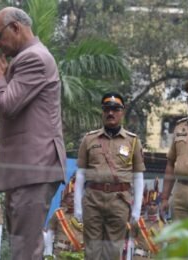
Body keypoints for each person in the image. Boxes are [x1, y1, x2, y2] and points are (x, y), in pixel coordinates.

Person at [0, 7, 66, 259]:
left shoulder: (34, 58)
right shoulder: (27, 58)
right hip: (27, 169)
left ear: (16, 28)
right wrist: (4, 75)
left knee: (26, 250)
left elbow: (7, 104)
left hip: (34, 168)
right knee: (21, 246)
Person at [74, 92, 146, 260]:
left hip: (119, 201)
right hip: (93, 200)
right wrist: (78, 206)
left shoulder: (132, 141)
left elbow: (138, 176)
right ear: (102, 112)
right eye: (107, 109)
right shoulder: (89, 139)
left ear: (122, 112)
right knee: (91, 251)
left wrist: (136, 210)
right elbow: (81, 174)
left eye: (115, 109)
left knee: (113, 251)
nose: (111, 113)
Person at [160, 78, 188, 220]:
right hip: (179, 191)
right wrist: (164, 198)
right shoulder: (180, 127)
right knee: (179, 239)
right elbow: (170, 163)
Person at [44, 176, 83, 257]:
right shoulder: (58, 213)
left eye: (75, 197)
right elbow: (50, 232)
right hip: (60, 254)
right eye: (70, 197)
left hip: (80, 254)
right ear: (64, 198)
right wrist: (48, 253)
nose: (73, 199)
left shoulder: (86, 214)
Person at [133, 178, 164, 259]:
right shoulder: (138, 222)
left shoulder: (163, 224)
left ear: (158, 206)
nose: (152, 207)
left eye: (154, 204)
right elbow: (130, 239)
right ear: (146, 205)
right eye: (150, 204)